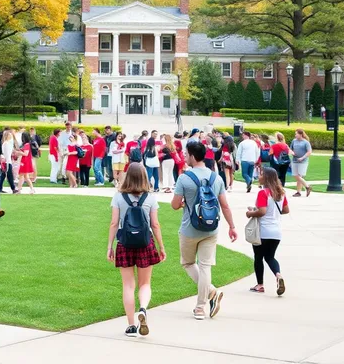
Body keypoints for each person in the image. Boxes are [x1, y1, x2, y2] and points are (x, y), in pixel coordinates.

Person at [171, 142, 238, 320]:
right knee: (205, 266)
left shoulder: (184, 178)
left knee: (188, 263)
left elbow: (175, 205)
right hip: (211, 229)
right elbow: (224, 205)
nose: (185, 157)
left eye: (186, 154)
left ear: (193, 156)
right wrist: (232, 226)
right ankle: (201, 307)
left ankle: (211, 293)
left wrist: (185, 203)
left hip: (189, 229)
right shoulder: (216, 178)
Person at [107, 163, 166, 337]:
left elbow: (114, 223)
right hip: (145, 243)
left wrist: (110, 246)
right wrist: (161, 246)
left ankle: (131, 325)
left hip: (124, 243)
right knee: (145, 284)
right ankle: (143, 308)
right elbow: (155, 224)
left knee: (128, 285)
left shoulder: (118, 197)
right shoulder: (150, 198)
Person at [245, 167, 290, 296]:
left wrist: (250, 213)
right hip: (276, 232)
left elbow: (262, 212)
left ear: (266, 178)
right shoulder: (280, 193)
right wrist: (273, 212)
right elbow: (286, 210)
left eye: (261, 175)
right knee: (270, 257)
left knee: (258, 257)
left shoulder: (263, 193)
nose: (259, 177)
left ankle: (260, 285)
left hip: (263, 231)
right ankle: (278, 274)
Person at [290, 129, 313, 197]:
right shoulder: (294, 141)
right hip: (294, 160)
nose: (295, 135)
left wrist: (302, 158)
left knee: (299, 176)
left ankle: (298, 192)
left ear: (300, 134)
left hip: (303, 161)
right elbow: (290, 149)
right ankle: (307, 186)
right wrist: (292, 152)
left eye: (296, 134)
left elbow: (309, 152)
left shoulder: (306, 142)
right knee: (295, 175)